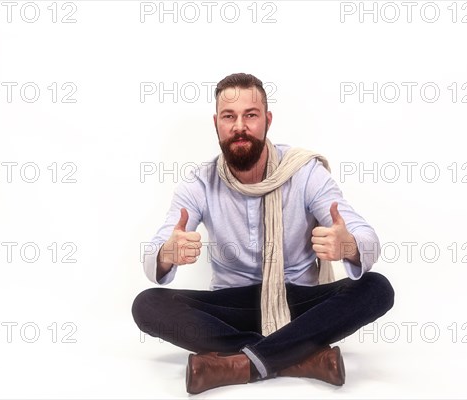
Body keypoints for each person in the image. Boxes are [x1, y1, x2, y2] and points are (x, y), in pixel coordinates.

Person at [132, 73, 395, 394]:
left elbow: (366, 239)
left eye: (250, 115)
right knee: (147, 305)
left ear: (267, 120)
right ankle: (297, 357)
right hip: (231, 308)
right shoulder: (199, 183)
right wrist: (167, 254)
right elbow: (154, 255)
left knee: (377, 288)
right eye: (229, 116)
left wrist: (349, 246)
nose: (239, 126)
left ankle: (239, 362)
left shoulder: (304, 172)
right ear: (216, 123)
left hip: (298, 303)